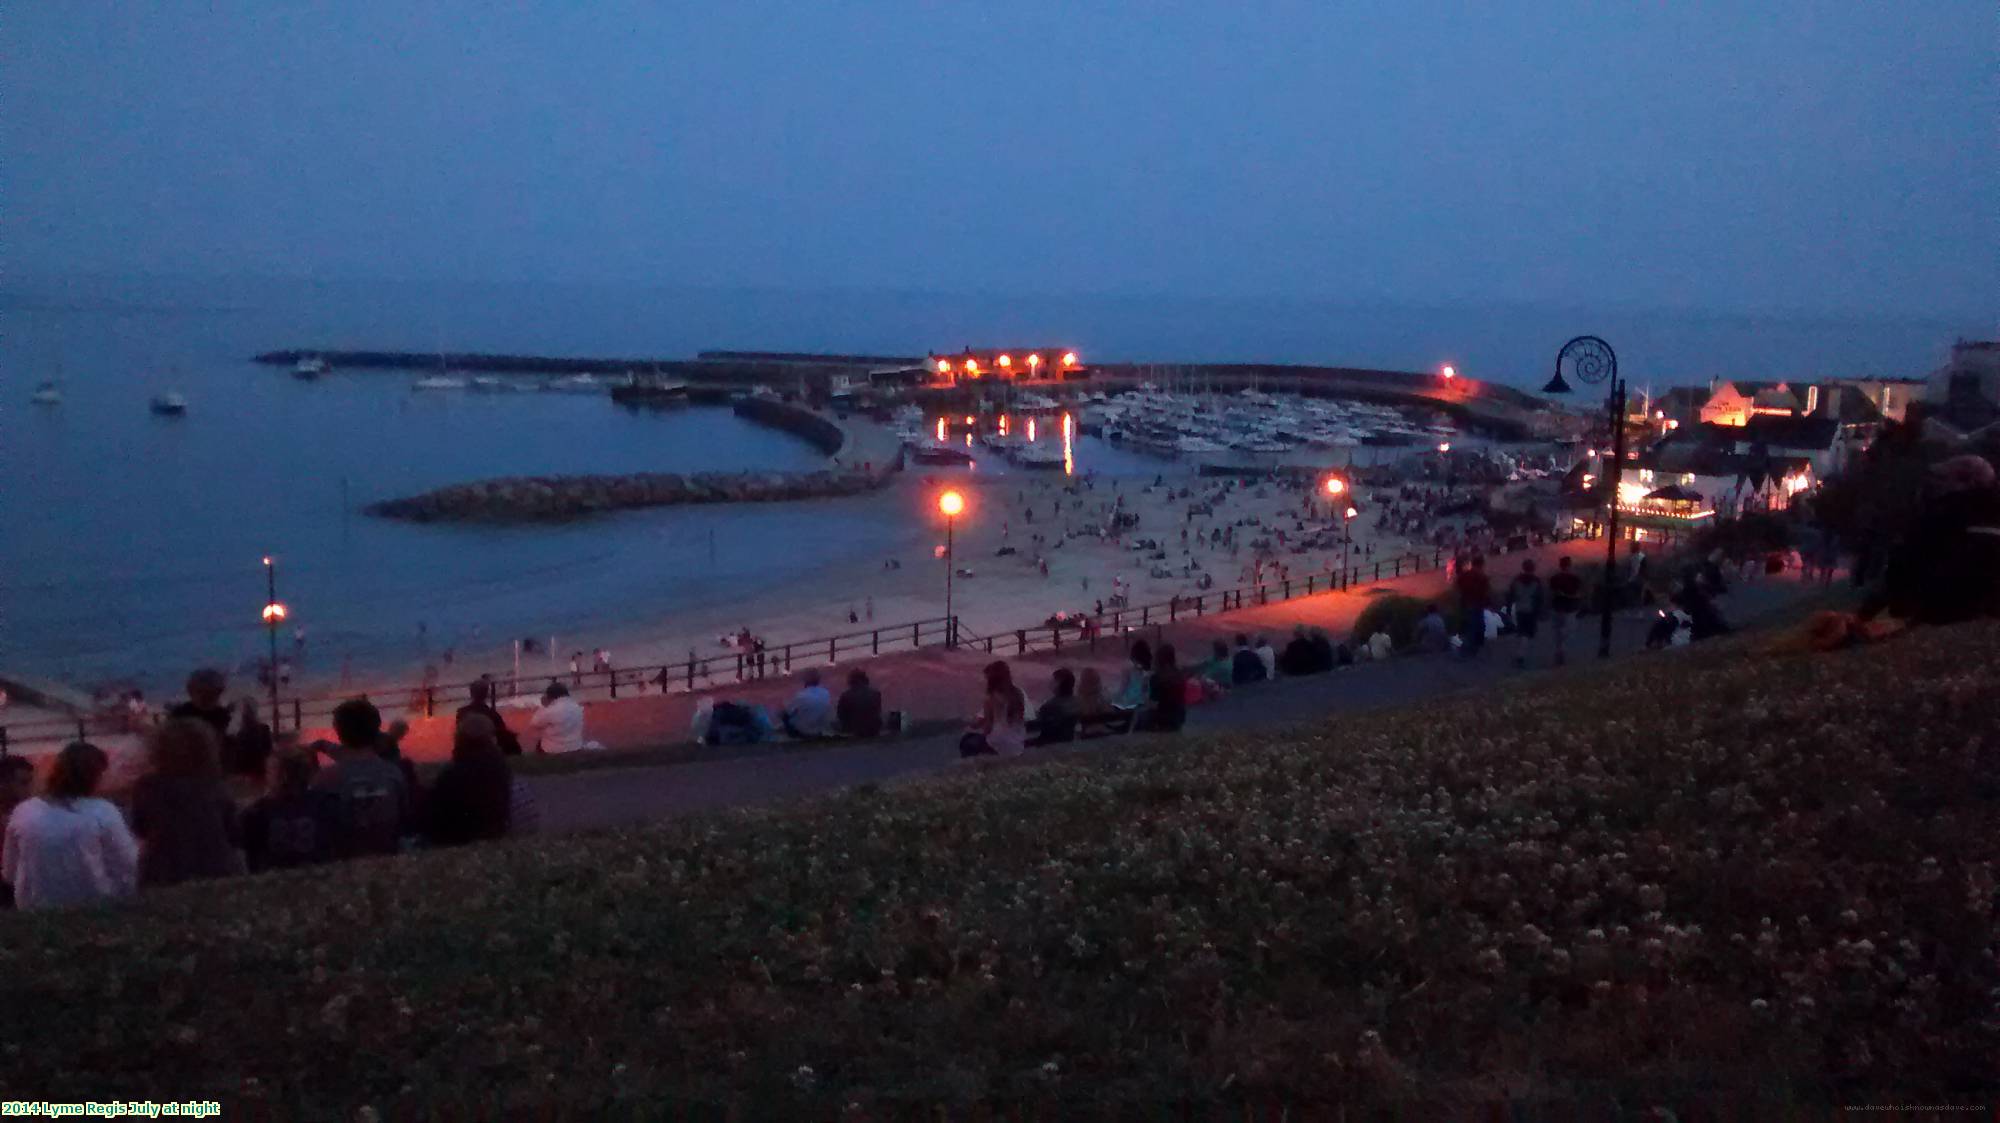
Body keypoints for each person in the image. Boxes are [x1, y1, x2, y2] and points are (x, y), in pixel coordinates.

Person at [2, 742, 138, 910]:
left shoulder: (23, 812)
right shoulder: (104, 812)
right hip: (94, 908)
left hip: (35, 911)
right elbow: (128, 865)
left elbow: (9, 872)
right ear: (97, 776)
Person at [129, 719, 243, 888]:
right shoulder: (215, 786)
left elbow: (140, 828)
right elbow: (233, 832)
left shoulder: (148, 787)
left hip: (164, 872)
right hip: (216, 870)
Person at [312, 697, 412, 858]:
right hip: (387, 857)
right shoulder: (393, 773)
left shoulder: (325, 779)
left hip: (343, 860)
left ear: (338, 732)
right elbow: (404, 818)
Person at [240, 748, 339, 873]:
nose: (266, 776)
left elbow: (251, 857)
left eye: (269, 772)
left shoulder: (257, 812)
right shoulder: (324, 803)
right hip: (317, 874)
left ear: (282, 777)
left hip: (273, 878)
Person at [424, 715, 514, 847]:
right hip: (493, 833)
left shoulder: (451, 774)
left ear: (458, 740)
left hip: (457, 838)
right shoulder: (501, 767)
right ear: (491, 740)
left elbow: (437, 816)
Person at [962, 661, 1027, 757]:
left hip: (999, 742)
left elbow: (988, 727)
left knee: (967, 742)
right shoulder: (1018, 694)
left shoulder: (991, 698)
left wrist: (975, 728)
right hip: (1017, 742)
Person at [0, 756, 35, 907]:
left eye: (30, 783)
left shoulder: (31, 814)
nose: (29, 790)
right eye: (23, 784)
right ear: (3, 784)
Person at [456, 676, 523, 755]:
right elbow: (501, 734)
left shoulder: (462, 713)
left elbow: (459, 736)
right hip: (487, 752)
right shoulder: (492, 714)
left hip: (467, 752)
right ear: (487, 694)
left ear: (471, 693)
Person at [167, 668, 232, 742]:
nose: (205, 697)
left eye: (210, 693)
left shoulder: (222, 715)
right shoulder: (179, 715)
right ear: (190, 691)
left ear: (219, 693)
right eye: (200, 691)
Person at [1506, 559, 1547, 668]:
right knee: (1527, 633)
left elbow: (1510, 595)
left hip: (1519, 609)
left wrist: (1509, 609)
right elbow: (1540, 598)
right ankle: (1521, 655)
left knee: (1521, 631)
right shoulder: (1536, 581)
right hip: (1530, 609)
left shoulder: (1516, 580)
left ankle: (1520, 651)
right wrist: (1541, 611)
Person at [528, 682, 588, 754]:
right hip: (575, 746)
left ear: (550, 696)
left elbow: (534, 723)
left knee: (538, 740)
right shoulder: (577, 707)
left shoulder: (550, 710)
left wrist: (544, 706)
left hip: (553, 749)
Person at [1546, 556, 1585, 666]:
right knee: (1568, 631)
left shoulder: (1554, 578)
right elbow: (1578, 594)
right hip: (1570, 608)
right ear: (1569, 565)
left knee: (1557, 631)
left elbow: (1551, 594)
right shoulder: (1575, 579)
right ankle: (1561, 650)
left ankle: (1559, 650)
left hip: (1557, 607)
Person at [1030, 668, 1080, 746]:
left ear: (1058, 684)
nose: (1050, 683)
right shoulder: (1076, 702)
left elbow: (1035, 724)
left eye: (1053, 681)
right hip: (1067, 739)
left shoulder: (1050, 706)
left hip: (1050, 743)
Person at [1144, 644, 1187, 732]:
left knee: (1137, 716)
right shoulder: (1180, 674)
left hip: (1162, 718)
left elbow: (1152, 704)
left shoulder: (1157, 677)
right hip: (1179, 716)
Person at [1455, 554, 1492, 658]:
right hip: (1477, 604)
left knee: (1471, 626)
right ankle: (1471, 649)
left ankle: (1470, 649)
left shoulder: (1465, 576)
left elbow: (1459, 587)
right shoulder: (1482, 576)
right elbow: (1486, 591)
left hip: (1467, 604)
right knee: (1477, 626)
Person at [782, 669, 835, 739]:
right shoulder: (825, 692)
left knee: (784, 715)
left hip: (803, 732)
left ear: (805, 680)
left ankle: (792, 737)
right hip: (819, 730)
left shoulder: (801, 695)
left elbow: (787, 712)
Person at [835, 669, 884, 738]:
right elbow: (878, 711)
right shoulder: (876, 693)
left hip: (853, 730)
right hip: (873, 729)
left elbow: (841, 716)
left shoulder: (846, 695)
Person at [1114, 640, 1153, 708]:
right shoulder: (1151, 674)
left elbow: (1122, 690)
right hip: (1143, 707)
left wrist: (1115, 701)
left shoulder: (1129, 673)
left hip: (1130, 706)